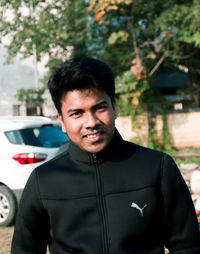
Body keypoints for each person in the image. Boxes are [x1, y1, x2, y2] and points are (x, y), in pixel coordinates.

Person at [11, 57, 200, 254]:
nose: (91, 122)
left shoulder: (158, 168)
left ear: (114, 108)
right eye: (77, 113)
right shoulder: (43, 181)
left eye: (100, 108)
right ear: (62, 121)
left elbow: (188, 246)